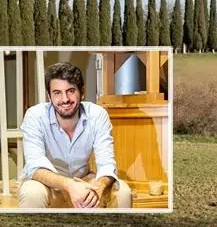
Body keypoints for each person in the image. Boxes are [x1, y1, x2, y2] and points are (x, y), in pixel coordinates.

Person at [18, 61, 132, 209]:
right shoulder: (35, 115)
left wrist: (98, 186)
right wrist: (69, 185)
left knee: (123, 192)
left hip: (83, 180)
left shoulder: (97, 115)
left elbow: (107, 164)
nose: (64, 99)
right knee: (32, 192)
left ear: (82, 92)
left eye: (70, 91)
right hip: (49, 184)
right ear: (49, 96)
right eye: (57, 93)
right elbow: (35, 167)